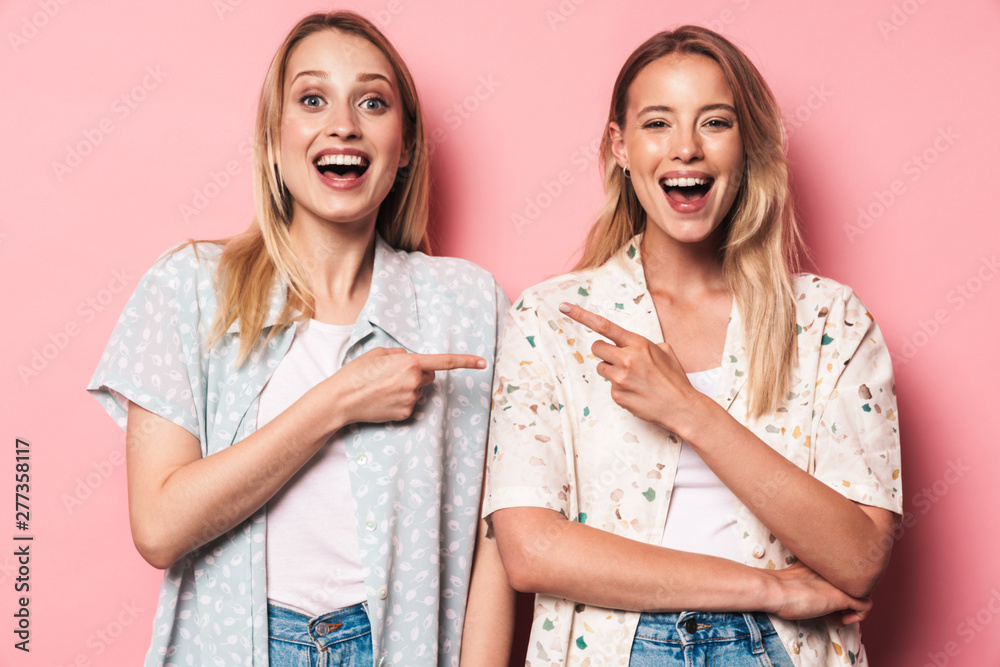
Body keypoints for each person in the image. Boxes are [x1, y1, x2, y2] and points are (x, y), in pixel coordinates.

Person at [87, 12, 507, 667]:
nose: (343, 124)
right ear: (273, 141)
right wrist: (335, 402)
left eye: (372, 101)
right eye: (312, 99)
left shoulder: (468, 301)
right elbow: (160, 527)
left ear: (406, 148)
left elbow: (495, 538)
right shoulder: (191, 288)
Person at [479, 26, 902, 666]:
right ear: (620, 146)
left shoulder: (829, 321)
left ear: (747, 145)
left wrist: (690, 410)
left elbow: (861, 558)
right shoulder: (552, 319)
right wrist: (765, 588)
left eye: (714, 123)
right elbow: (531, 550)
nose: (685, 149)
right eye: (658, 124)